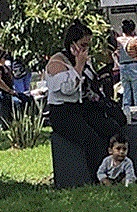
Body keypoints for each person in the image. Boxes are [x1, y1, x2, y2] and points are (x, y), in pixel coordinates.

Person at [46, 20, 119, 182]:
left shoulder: (85, 60)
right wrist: (79, 66)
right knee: (91, 140)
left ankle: (116, 171)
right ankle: (98, 178)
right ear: (72, 44)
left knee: (110, 128)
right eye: (83, 45)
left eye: (88, 45)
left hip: (82, 107)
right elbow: (67, 89)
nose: (86, 50)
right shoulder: (57, 62)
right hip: (62, 112)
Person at [0, 47, 31, 127]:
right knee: (15, 101)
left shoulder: (2, 66)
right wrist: (9, 90)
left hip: (6, 90)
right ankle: (5, 124)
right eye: (4, 57)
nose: (5, 59)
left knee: (25, 98)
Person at [115, 20, 137, 107]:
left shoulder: (118, 41)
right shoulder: (135, 41)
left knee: (126, 93)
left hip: (123, 66)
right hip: (134, 65)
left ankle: (126, 113)